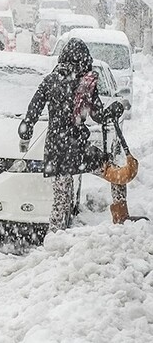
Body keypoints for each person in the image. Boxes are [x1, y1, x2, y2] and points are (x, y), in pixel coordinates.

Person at [18, 37, 129, 231]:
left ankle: (55, 236)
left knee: (61, 200)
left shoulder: (50, 81)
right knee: (116, 174)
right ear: (85, 60)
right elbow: (99, 116)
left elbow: (33, 110)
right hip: (78, 148)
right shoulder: (86, 84)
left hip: (56, 150)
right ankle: (121, 220)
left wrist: (26, 131)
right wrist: (116, 108)